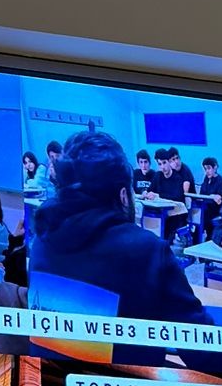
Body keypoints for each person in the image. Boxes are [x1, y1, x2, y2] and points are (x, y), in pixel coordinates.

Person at [27, 130, 211, 334]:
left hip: (44, 367)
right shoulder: (148, 251)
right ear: (124, 195)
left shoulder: (40, 242)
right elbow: (209, 352)